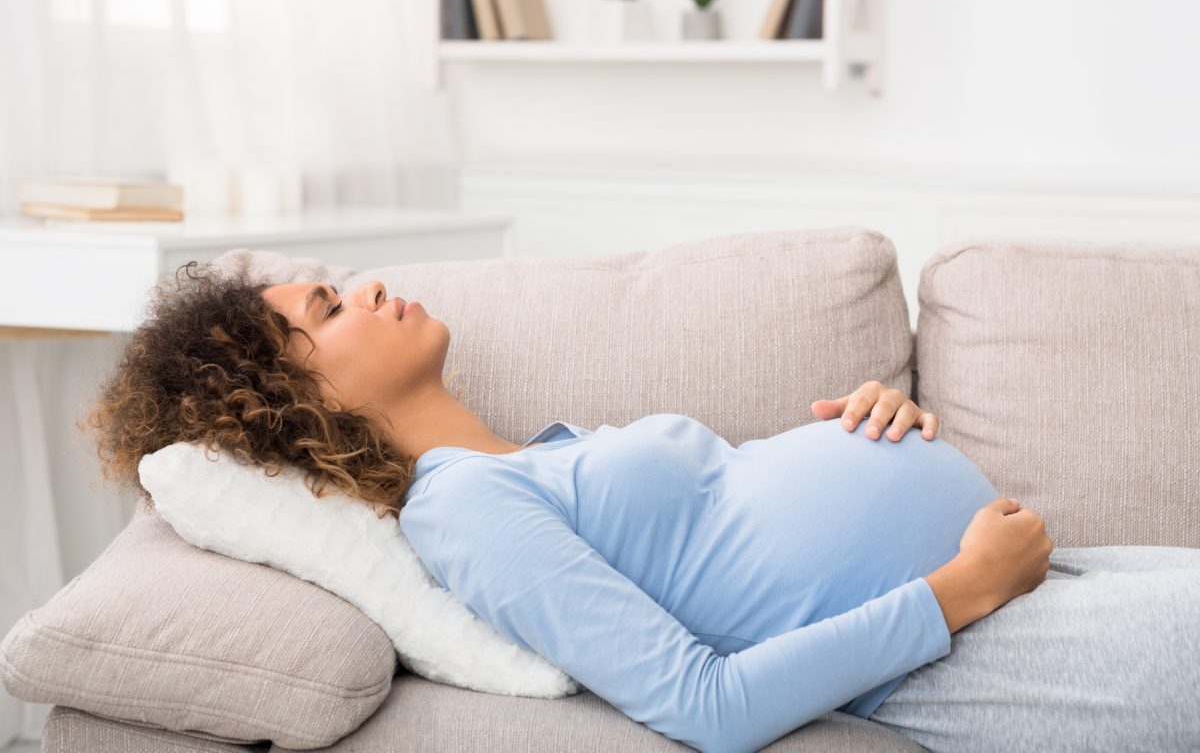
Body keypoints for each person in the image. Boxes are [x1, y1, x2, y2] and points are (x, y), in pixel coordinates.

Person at [82, 262, 1200, 753]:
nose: (368, 286)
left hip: (1042, 582)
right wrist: (959, 590)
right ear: (297, 397)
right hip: (976, 651)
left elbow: (735, 518)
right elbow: (705, 706)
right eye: (330, 308)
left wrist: (859, 418)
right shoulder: (461, 513)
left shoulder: (534, 455)